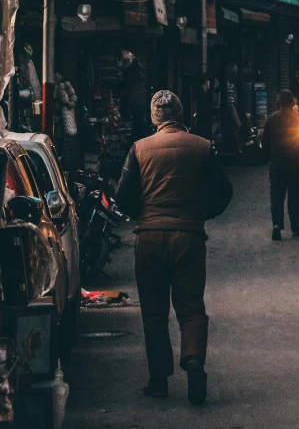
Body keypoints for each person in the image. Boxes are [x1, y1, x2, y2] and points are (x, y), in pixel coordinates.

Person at [115, 90, 233, 404]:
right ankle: (193, 358)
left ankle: (158, 380)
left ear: (155, 119)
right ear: (182, 114)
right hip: (189, 237)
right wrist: (202, 213)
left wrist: (141, 214)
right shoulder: (203, 147)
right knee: (191, 307)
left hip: (150, 239)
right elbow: (223, 191)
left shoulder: (139, 149)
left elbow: (122, 197)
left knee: (154, 313)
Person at [262, 89, 299, 240]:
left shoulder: (271, 119)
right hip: (295, 163)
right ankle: (296, 228)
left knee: (277, 196)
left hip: (277, 164)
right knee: (295, 196)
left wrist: (269, 159)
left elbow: (265, 142)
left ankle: (277, 225)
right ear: (292, 103)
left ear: (278, 102)